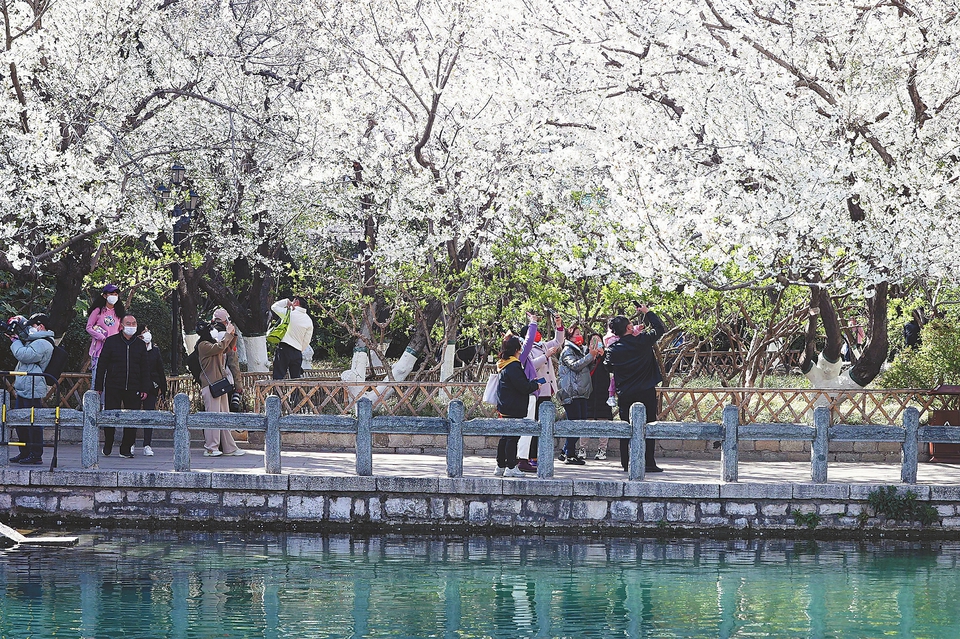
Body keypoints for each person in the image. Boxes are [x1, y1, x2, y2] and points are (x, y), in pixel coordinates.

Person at [604, 302, 666, 473]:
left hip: (626, 392)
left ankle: (626, 461)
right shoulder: (643, 341)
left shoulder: (613, 349)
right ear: (629, 327)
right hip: (646, 389)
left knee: (626, 427)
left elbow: (608, 367)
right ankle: (649, 462)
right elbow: (660, 328)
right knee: (649, 425)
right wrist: (647, 312)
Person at [94, 314, 149, 458]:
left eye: (134, 323)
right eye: (128, 323)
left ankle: (126, 448)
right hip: (113, 385)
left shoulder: (140, 345)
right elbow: (102, 365)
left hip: (134, 386)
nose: (131, 325)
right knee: (110, 416)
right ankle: (108, 442)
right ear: (122, 326)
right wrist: (98, 386)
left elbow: (145, 368)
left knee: (132, 418)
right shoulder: (111, 342)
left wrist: (144, 388)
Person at [517, 311, 564, 471]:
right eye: (535, 332)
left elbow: (558, 341)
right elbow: (532, 365)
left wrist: (558, 325)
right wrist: (546, 356)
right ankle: (529, 457)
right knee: (533, 425)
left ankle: (539, 455)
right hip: (534, 391)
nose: (539, 334)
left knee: (544, 425)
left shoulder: (543, 345)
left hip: (546, 390)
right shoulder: (525, 349)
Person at [7, 314, 54, 464]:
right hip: (25, 385)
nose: (29, 329)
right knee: (21, 421)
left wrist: (15, 341)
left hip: (33, 387)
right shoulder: (36, 340)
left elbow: (24, 355)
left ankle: (35, 454)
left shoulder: (43, 343)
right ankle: (24, 452)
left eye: (32, 326)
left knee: (33, 422)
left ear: (40, 327)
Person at [196, 320, 244, 457]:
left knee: (224, 416)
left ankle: (229, 447)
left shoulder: (212, 344)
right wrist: (227, 334)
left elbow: (227, 349)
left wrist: (232, 335)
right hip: (210, 386)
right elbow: (219, 348)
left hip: (220, 385)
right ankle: (211, 448)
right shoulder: (203, 345)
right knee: (213, 418)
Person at [494, 334, 541, 478]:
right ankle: (511, 467)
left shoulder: (503, 364)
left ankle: (500, 465)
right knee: (512, 438)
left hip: (505, 405)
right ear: (516, 349)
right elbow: (522, 386)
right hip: (514, 406)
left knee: (505, 437)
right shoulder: (514, 365)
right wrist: (535, 385)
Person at [556, 325, 602, 465]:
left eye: (580, 333)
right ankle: (569, 453)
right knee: (575, 424)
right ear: (569, 337)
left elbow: (586, 368)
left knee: (580, 423)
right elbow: (575, 365)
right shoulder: (567, 350)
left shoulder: (580, 351)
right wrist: (590, 356)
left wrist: (594, 358)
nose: (579, 336)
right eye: (576, 334)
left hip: (580, 392)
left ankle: (566, 452)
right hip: (571, 392)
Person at [85, 284, 124, 385]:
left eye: (116, 294)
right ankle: (96, 400)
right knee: (98, 380)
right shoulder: (98, 311)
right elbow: (89, 327)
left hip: (114, 351)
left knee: (112, 381)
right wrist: (102, 337)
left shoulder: (119, 312)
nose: (114, 296)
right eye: (111, 294)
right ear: (104, 296)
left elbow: (120, 330)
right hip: (99, 351)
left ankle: (108, 401)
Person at [583, 332, 612, 460]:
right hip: (588, 393)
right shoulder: (585, 355)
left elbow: (611, 368)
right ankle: (582, 448)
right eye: (593, 341)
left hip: (602, 393)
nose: (596, 344)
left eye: (598, 341)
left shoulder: (607, 355)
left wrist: (603, 355)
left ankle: (602, 449)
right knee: (586, 421)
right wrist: (591, 356)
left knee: (603, 421)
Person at [270, 296, 314, 380]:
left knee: (278, 376)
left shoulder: (288, 313)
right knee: (296, 379)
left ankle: (278, 393)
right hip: (297, 351)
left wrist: (286, 302)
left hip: (284, 348)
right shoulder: (308, 320)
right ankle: (296, 394)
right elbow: (306, 341)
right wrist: (299, 349)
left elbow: (274, 307)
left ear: (296, 302)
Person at [139, 325, 167, 456]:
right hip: (136, 387)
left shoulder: (155, 351)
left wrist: (162, 387)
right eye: (143, 332)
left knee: (149, 415)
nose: (146, 333)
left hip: (151, 387)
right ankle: (130, 443)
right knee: (133, 416)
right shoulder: (135, 349)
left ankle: (147, 444)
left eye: (147, 331)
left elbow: (160, 369)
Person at [212, 308, 243, 411]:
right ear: (226, 322)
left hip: (208, 381)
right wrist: (238, 385)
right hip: (225, 381)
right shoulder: (228, 337)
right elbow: (233, 362)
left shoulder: (207, 335)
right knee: (226, 412)